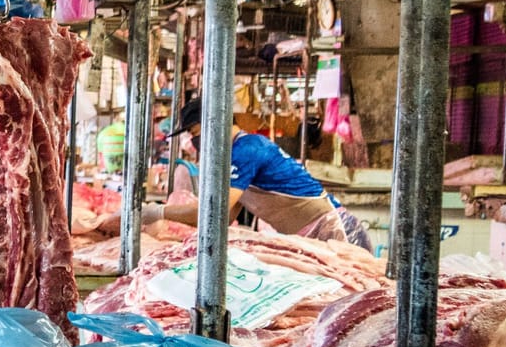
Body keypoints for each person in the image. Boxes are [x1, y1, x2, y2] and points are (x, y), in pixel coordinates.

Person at [142, 97, 372, 251]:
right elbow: (224, 218)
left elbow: (214, 210)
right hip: (313, 236)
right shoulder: (234, 153)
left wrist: (156, 212)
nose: (195, 142)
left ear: (214, 123)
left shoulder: (246, 149)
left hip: (337, 232)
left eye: (195, 133)